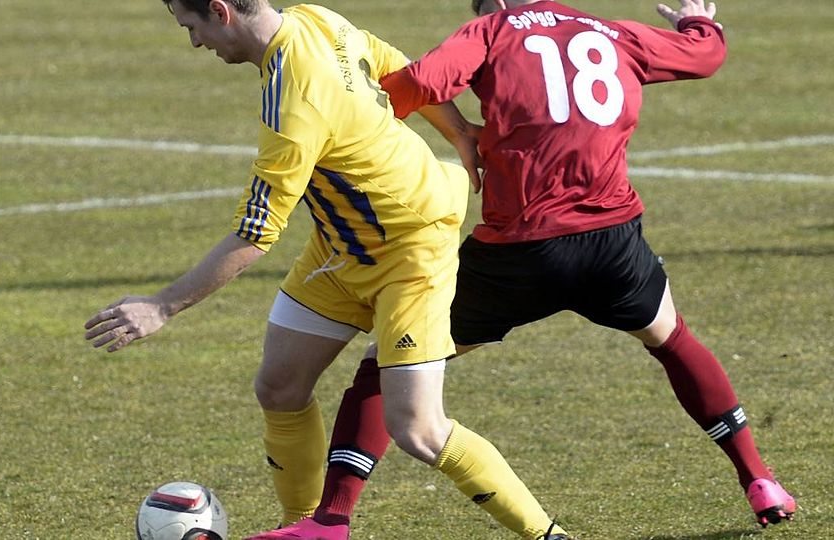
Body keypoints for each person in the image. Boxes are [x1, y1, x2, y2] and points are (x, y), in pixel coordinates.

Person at [245, 0, 797, 538]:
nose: (478, 16)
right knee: (672, 340)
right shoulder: (609, 31)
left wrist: (364, 103)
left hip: (518, 253)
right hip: (612, 243)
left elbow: (418, 84)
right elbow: (704, 56)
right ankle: (760, 479)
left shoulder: (493, 31)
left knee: (386, 365)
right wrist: (698, 22)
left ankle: (331, 519)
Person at [84, 1, 573, 539]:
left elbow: (256, 232)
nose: (195, 41)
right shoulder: (314, 18)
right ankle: (305, 529)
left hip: (413, 246)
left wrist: (161, 306)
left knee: (419, 429)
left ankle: (547, 535)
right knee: (280, 386)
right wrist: (457, 130)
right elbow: (394, 66)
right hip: (344, 245)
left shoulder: (293, 101)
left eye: (191, 26)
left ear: (220, 11)